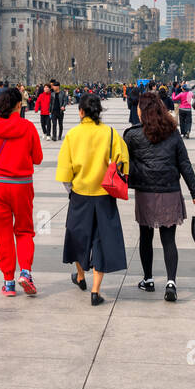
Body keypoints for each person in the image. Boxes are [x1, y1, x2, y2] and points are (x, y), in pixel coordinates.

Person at [125, 91, 195, 301]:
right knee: (169, 240)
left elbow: (123, 164)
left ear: (141, 111)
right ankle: (171, 282)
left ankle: (148, 279)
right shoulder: (173, 133)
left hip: (146, 192)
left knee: (146, 237)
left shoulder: (132, 135)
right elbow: (184, 164)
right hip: (169, 191)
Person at [57, 93, 130, 306]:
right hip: (105, 195)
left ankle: (80, 276)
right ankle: (96, 291)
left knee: (78, 237)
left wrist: (72, 190)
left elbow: (64, 171)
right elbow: (123, 163)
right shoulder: (110, 134)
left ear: (81, 112)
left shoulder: (72, 135)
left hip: (80, 194)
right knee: (102, 241)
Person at [0, 87, 44, 296]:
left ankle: (8, 282)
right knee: (24, 230)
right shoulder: (27, 127)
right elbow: (38, 158)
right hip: (22, 186)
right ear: (17, 105)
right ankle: (25, 271)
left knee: (3, 232)